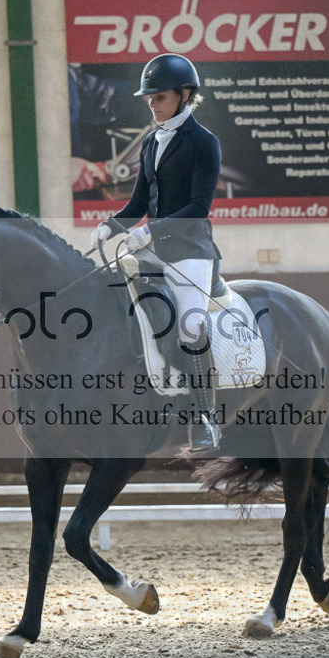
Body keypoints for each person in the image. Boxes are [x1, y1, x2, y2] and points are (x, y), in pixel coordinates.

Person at [90, 53, 223, 452]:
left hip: (191, 251)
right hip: (152, 252)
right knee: (134, 315)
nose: (152, 103)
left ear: (185, 95)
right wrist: (111, 225)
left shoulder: (204, 142)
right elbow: (136, 205)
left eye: (159, 97)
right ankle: (164, 396)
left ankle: (205, 419)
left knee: (189, 327)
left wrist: (150, 231)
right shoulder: (150, 141)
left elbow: (199, 206)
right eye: (149, 97)